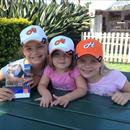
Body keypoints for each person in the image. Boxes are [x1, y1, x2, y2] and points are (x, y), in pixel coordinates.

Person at [36, 35, 87, 108]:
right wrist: (46, 94)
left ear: (72, 56)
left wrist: (67, 97)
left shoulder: (74, 70)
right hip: (53, 100)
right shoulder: (49, 69)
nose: (62, 58)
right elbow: (42, 85)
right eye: (57, 55)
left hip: (73, 101)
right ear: (51, 57)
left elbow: (82, 89)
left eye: (66, 54)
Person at [76, 38, 130, 106]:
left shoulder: (114, 76)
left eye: (93, 61)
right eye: (82, 60)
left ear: (101, 63)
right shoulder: (76, 78)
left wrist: (126, 95)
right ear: (76, 63)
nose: (87, 65)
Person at [0, 25, 48, 101]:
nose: (34, 52)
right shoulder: (16, 67)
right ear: (23, 51)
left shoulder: (55, 64)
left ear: (46, 46)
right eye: (29, 48)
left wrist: (39, 78)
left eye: (40, 46)